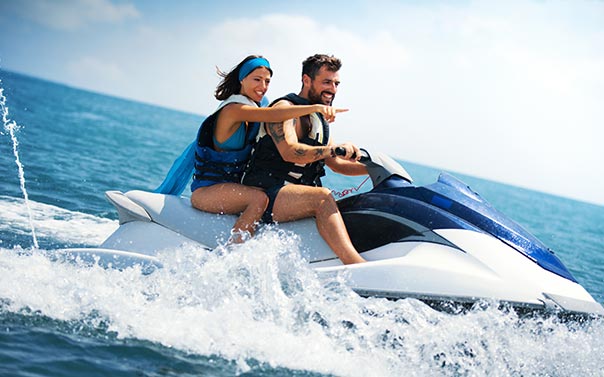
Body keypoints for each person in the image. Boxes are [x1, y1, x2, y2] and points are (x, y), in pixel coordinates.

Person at [190, 55, 346, 243]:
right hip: (208, 189)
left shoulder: (252, 109)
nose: (263, 86)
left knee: (258, 196)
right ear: (242, 79)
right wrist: (316, 108)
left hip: (235, 188)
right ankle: (233, 251)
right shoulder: (232, 109)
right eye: (257, 79)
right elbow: (274, 114)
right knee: (259, 199)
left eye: (267, 81)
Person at [242, 54, 367, 264]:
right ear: (306, 80)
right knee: (322, 198)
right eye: (326, 82)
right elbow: (289, 151)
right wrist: (334, 150)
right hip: (267, 193)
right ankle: (356, 264)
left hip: (292, 197)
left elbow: (336, 164)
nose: (333, 89)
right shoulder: (284, 109)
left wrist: (375, 169)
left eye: (336, 83)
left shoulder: (318, 116)